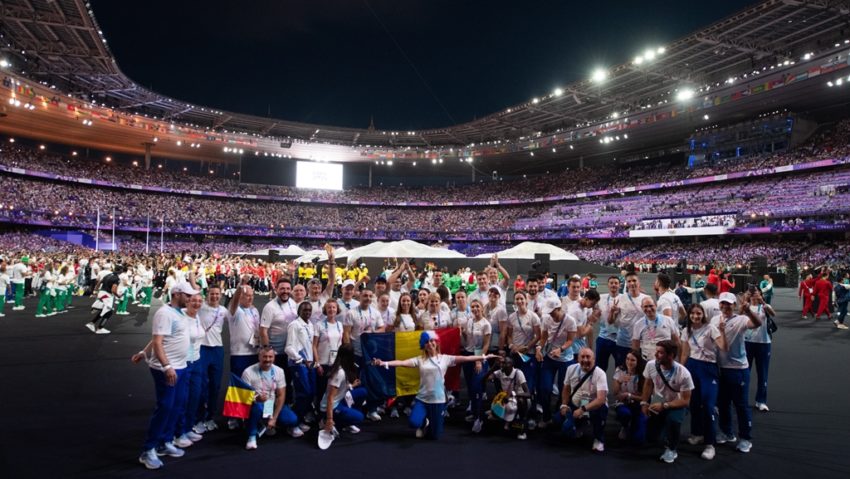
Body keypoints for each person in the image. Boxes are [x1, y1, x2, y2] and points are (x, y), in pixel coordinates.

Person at [372, 331, 495, 439]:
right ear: (423, 346)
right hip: (422, 399)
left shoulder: (445, 358)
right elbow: (401, 362)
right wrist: (383, 363)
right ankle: (423, 422)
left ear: (436, 343)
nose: (430, 344)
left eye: (432, 341)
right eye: (427, 342)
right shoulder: (419, 360)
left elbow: (465, 358)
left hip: (438, 400)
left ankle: (430, 424)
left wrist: (485, 357)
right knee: (413, 423)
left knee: (434, 436)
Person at [135, 281, 198, 470]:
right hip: (167, 369)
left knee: (177, 405)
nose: (190, 298)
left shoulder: (180, 313)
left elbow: (158, 338)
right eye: (187, 295)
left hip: (180, 366)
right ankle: (148, 449)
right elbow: (158, 341)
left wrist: (144, 351)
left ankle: (165, 441)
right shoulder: (164, 313)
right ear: (176, 294)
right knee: (165, 407)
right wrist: (167, 366)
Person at [712, 291, 763, 453]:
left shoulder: (741, 320)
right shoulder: (714, 319)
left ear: (734, 305)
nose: (725, 306)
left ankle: (746, 438)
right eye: (722, 303)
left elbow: (757, 324)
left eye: (729, 303)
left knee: (740, 404)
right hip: (720, 368)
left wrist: (748, 310)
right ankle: (727, 432)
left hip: (738, 369)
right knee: (723, 403)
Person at [680, 303, 726, 460]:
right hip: (692, 367)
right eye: (692, 313)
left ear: (703, 314)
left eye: (698, 313)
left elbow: (723, 347)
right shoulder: (686, 330)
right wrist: (681, 371)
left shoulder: (711, 328)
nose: (695, 316)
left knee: (708, 405)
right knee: (693, 403)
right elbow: (685, 352)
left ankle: (710, 444)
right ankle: (697, 433)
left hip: (708, 369)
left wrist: (722, 331)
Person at [640, 340, 694, 464]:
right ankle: (662, 431)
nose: (656, 354)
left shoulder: (684, 374)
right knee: (650, 437)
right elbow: (648, 384)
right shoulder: (651, 365)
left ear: (671, 355)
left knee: (673, 421)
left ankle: (672, 448)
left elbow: (686, 401)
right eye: (656, 351)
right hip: (658, 400)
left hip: (676, 403)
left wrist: (664, 406)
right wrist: (644, 403)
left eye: (660, 353)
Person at [243, 347, 301, 450]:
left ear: (274, 358)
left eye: (270, 357)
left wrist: (274, 418)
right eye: (264, 357)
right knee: (256, 408)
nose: (268, 359)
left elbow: (281, 395)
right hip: (257, 404)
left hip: (271, 404)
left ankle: (271, 424)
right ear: (259, 357)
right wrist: (256, 399)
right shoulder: (248, 372)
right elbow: (244, 397)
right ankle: (252, 436)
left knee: (292, 419)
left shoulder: (279, 371)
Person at [554, 347, 608, 452]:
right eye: (582, 357)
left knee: (601, 411)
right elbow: (566, 388)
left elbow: (601, 399)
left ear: (594, 359)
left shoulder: (600, 374)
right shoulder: (571, 369)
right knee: (558, 421)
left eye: (588, 357)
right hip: (575, 404)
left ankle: (599, 439)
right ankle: (579, 425)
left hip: (593, 405)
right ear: (578, 359)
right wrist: (564, 405)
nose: (585, 360)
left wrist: (583, 409)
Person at [343, 288, 384, 421]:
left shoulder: (376, 313)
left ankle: (371, 410)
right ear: (360, 297)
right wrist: (349, 353)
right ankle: (355, 410)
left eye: (369, 296)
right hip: (356, 354)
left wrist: (372, 334)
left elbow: (382, 328)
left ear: (372, 298)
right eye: (365, 295)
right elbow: (346, 333)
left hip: (371, 354)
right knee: (356, 382)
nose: (367, 298)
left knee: (372, 382)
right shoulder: (351, 313)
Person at [195, 285, 230, 433]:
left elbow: (236, 316)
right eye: (212, 294)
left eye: (217, 294)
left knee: (215, 385)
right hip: (202, 349)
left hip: (217, 349)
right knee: (201, 385)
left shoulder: (223, 310)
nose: (215, 296)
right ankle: (198, 419)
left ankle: (210, 417)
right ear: (207, 294)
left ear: (221, 295)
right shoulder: (200, 307)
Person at [535, 304, 576, 426]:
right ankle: (546, 416)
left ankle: (560, 414)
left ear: (559, 309)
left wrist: (561, 349)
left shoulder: (570, 321)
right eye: (549, 313)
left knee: (564, 388)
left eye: (553, 312)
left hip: (566, 359)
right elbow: (544, 338)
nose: (551, 315)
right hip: (550, 357)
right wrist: (539, 349)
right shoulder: (547, 319)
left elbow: (570, 340)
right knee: (545, 388)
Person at [504, 290, 541, 421]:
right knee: (514, 385)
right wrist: (512, 346)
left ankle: (531, 416)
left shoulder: (533, 317)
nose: (519, 301)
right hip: (515, 355)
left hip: (528, 355)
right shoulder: (511, 317)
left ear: (526, 300)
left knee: (528, 386)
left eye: (521, 299)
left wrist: (528, 347)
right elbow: (509, 336)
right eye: (517, 299)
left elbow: (538, 336)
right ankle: (515, 413)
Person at [320, 343, 366, 440]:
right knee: (359, 417)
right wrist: (329, 419)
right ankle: (331, 422)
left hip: (339, 400)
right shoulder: (339, 372)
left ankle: (345, 419)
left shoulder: (344, 368)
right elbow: (330, 397)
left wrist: (351, 386)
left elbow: (339, 388)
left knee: (362, 392)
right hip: (331, 407)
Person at [285, 302, 318, 432]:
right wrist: (302, 360)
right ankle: (292, 423)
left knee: (311, 392)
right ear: (299, 311)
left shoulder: (310, 325)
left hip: (310, 364)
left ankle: (299, 418)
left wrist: (313, 361)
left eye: (309, 310)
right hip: (298, 364)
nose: (307, 312)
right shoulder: (294, 325)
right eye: (305, 310)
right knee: (303, 393)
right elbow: (288, 348)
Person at [461, 299, 492, 433]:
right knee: (470, 388)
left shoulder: (486, 324)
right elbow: (467, 342)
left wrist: (479, 360)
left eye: (477, 306)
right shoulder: (469, 321)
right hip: (468, 356)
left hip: (479, 357)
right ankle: (474, 413)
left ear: (481, 308)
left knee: (476, 387)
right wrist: (462, 334)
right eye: (472, 307)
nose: (475, 309)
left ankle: (479, 418)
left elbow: (486, 345)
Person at [483, 356, 532, 439]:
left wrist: (514, 394)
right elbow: (484, 379)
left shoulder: (518, 373)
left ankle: (522, 429)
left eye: (505, 363)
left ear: (511, 365)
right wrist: (494, 366)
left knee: (520, 402)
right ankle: (504, 420)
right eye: (502, 363)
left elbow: (528, 394)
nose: (503, 365)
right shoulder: (500, 372)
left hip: (520, 399)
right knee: (495, 411)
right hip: (507, 399)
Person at [744, 289, 775, 412]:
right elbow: (739, 315)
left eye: (756, 292)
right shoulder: (746, 306)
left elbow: (773, 314)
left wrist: (763, 302)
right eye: (751, 292)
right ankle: (742, 399)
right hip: (747, 342)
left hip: (763, 342)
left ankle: (761, 401)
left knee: (763, 373)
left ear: (761, 294)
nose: (753, 295)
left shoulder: (764, 306)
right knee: (745, 373)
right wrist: (744, 301)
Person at [610, 272, 650, 368]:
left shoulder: (646, 299)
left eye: (634, 280)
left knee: (641, 371)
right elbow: (611, 321)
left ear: (638, 282)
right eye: (629, 281)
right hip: (623, 342)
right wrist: (613, 313)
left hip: (642, 343)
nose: (632, 283)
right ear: (626, 284)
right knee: (621, 369)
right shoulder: (620, 298)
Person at [611, 350, 647, 444]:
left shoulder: (644, 375)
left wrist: (629, 395)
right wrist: (619, 381)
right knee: (624, 414)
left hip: (639, 405)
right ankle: (625, 425)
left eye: (632, 360)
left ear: (638, 362)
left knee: (638, 439)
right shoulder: (620, 370)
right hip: (623, 403)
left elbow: (645, 397)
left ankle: (637, 423)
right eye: (627, 359)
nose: (629, 362)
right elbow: (615, 393)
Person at [596, 276, 622, 372]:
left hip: (619, 339)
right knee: (599, 368)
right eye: (611, 283)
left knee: (620, 368)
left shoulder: (624, 298)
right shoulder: (601, 298)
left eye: (616, 283)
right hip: (603, 337)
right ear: (608, 285)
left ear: (620, 285)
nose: (613, 285)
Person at [85, 264, 120, 334]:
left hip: (101, 293)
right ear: (120, 271)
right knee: (108, 312)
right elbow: (113, 290)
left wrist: (95, 291)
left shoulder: (107, 275)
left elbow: (99, 283)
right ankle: (99, 328)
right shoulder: (116, 278)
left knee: (104, 310)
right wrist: (118, 296)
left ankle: (92, 323)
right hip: (107, 295)